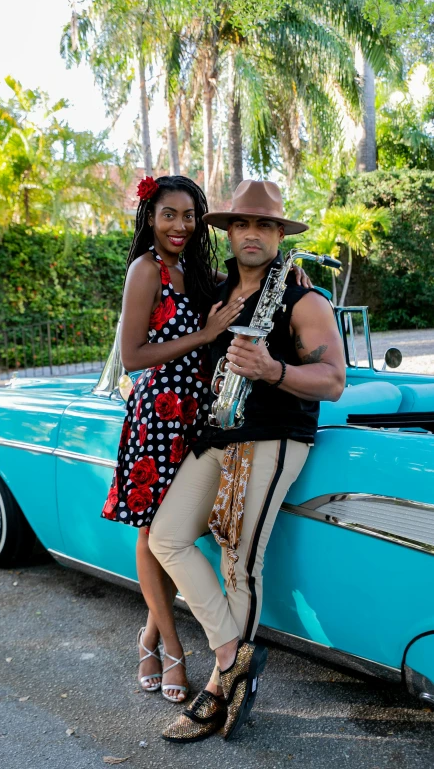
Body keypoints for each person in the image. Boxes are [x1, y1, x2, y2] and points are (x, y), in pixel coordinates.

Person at [101, 175, 312, 704]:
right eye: (168, 214)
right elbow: (132, 357)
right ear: (150, 216)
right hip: (158, 414)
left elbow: (248, 288)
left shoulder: (201, 274)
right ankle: (170, 646)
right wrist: (205, 336)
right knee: (156, 534)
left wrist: (289, 274)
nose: (179, 225)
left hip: (200, 415)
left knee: (183, 536)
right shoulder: (145, 269)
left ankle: (149, 634)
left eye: (189, 215)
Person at [149, 179, 345, 740]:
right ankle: (233, 655)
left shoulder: (303, 299)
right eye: (241, 224)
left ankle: (216, 689)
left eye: (265, 225)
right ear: (229, 233)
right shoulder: (218, 295)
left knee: (240, 562)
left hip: (274, 437)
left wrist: (273, 370)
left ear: (280, 234)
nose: (252, 234)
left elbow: (333, 381)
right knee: (168, 536)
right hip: (218, 437)